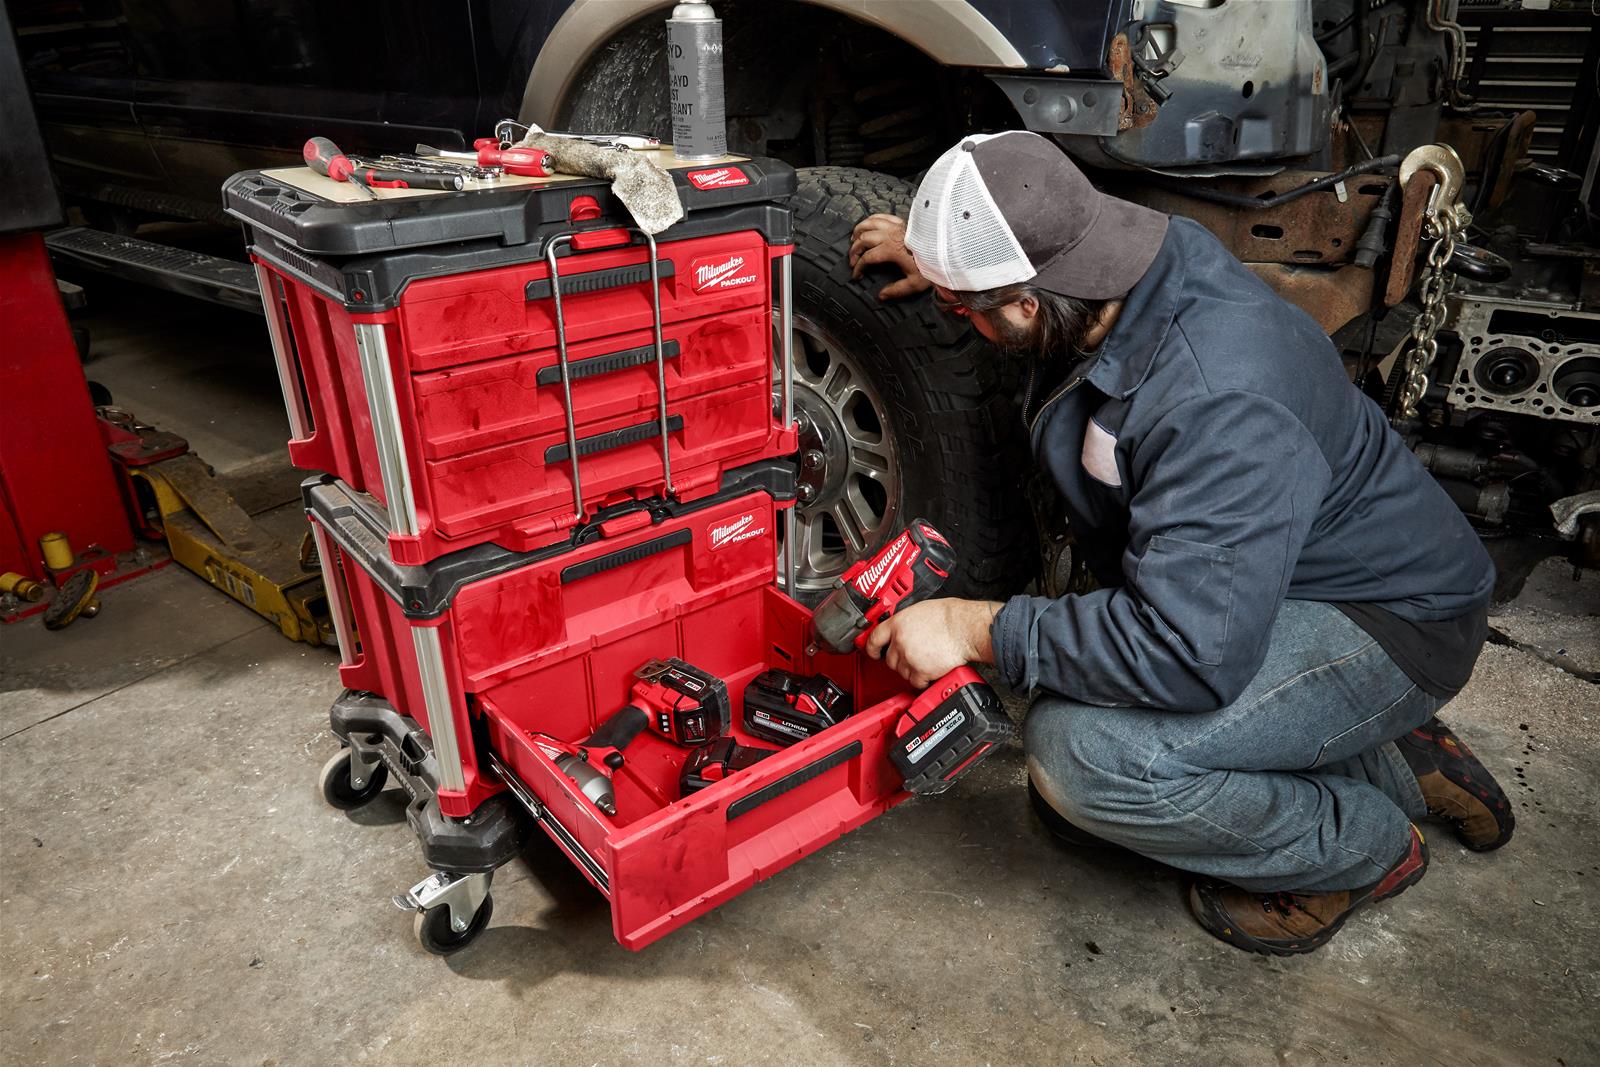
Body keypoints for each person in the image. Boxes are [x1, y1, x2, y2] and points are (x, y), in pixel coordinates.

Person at [848, 131, 1512, 956]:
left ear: (1027, 302)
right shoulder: (1128, 255)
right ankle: (1397, 761)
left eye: (969, 309)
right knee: (1079, 730)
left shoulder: (1219, 401)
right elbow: (1032, 230)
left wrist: (974, 627)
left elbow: (1191, 651)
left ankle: (1360, 844)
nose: (963, 318)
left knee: (1084, 757)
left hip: (1387, 619)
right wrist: (950, 267)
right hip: (1281, 575)